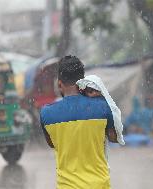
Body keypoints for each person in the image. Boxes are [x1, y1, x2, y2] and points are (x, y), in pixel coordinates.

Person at [40, 55, 118, 189]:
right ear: (83, 81)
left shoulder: (46, 114)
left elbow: (52, 144)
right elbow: (114, 137)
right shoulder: (102, 107)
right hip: (99, 185)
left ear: (59, 83)